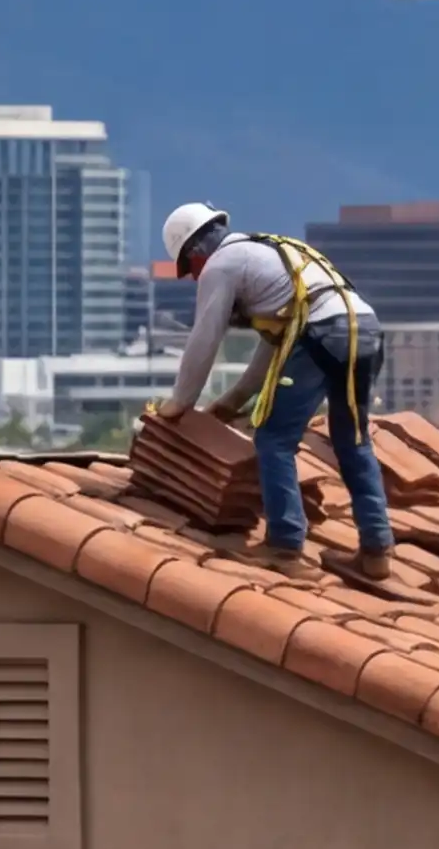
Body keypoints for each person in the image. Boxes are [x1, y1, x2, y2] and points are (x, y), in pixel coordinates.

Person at [156, 202, 394, 580]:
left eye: (191, 268)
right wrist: (231, 401)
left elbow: (205, 337)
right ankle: (376, 551)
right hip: (363, 329)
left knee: (273, 439)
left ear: (197, 251)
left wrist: (180, 402)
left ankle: (284, 547)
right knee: (353, 440)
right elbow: (275, 347)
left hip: (324, 334)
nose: (193, 278)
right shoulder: (272, 254)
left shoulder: (221, 265)